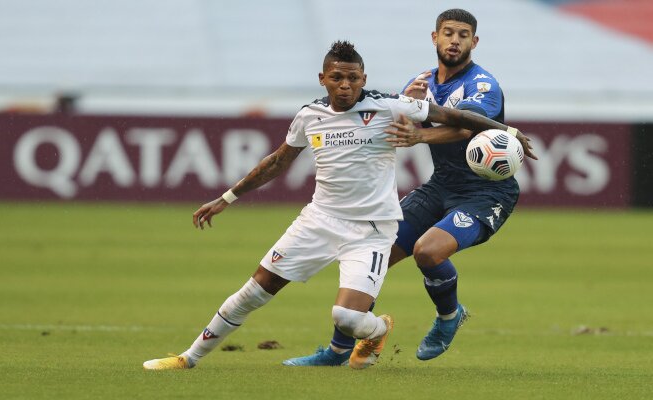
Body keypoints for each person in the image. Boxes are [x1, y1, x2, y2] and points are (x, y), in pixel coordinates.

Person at [143, 39, 533, 371]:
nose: (345, 86)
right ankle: (187, 359)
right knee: (254, 290)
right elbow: (277, 162)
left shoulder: (390, 107)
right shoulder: (309, 116)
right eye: (337, 77)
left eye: (353, 78)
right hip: (318, 220)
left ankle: (376, 331)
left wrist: (506, 129)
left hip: (371, 230)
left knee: (346, 316)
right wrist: (227, 198)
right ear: (323, 79)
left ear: (364, 78)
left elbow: (454, 116)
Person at [283, 9, 537, 367]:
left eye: (463, 35)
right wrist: (408, 105)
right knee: (375, 256)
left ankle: (450, 316)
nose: (455, 40)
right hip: (440, 186)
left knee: (428, 252)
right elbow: (396, 120)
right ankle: (338, 351)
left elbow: (466, 128)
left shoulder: (482, 86)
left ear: (474, 42)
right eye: (448, 33)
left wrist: (420, 134)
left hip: (486, 194)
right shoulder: (421, 80)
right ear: (434, 37)